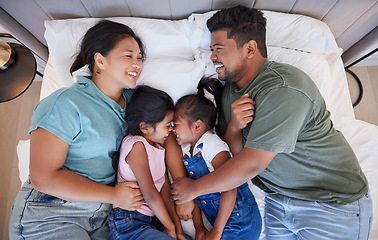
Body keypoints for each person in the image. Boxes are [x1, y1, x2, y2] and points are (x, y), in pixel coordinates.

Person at [171, 6, 372, 240]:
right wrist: (235, 128)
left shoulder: (283, 88)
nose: (212, 57)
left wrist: (194, 189)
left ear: (250, 48)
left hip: (330, 204)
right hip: (279, 203)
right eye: (211, 50)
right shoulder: (229, 94)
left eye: (218, 49)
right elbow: (233, 156)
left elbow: (251, 165)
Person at [9, 20, 146, 239]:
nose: (137, 64)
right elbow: (43, 178)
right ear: (100, 60)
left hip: (102, 215)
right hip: (52, 214)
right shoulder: (66, 103)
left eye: (140, 57)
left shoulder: (136, 103)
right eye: (128, 55)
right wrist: (113, 195)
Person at [173, 77, 262, 240]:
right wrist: (199, 227)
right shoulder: (187, 151)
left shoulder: (212, 144)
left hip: (242, 220)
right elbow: (194, 194)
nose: (173, 129)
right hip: (222, 223)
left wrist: (217, 231)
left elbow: (230, 185)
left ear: (197, 126)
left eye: (176, 123)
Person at [108, 85, 190, 240]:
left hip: (154, 220)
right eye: (167, 125)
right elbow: (150, 193)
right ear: (145, 127)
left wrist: (177, 230)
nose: (171, 129)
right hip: (129, 220)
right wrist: (170, 227)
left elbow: (165, 191)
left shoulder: (159, 148)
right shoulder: (136, 146)